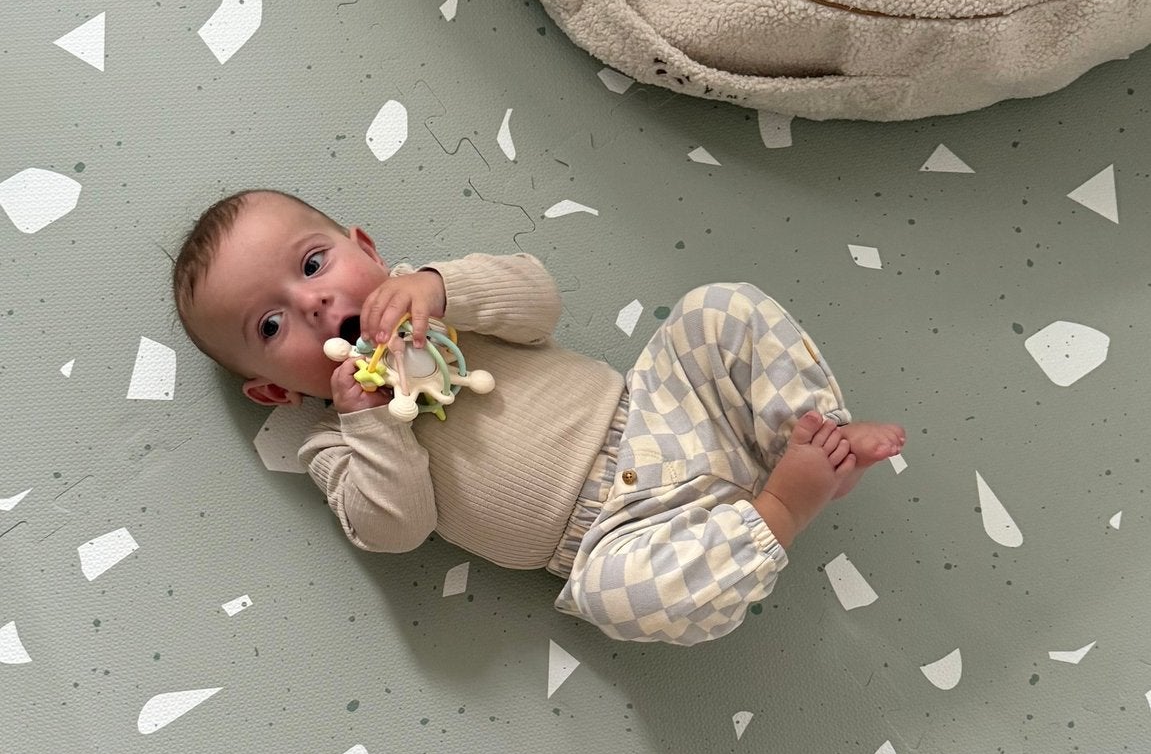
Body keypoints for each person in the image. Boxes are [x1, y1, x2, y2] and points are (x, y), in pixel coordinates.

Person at [170, 189, 904, 646]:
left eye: (312, 265)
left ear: (366, 249)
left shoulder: (437, 304)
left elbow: (541, 300)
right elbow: (396, 529)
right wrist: (372, 422)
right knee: (626, 599)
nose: (315, 305)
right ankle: (780, 506)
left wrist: (443, 288)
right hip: (611, 535)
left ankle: (810, 431)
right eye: (270, 328)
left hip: (656, 408)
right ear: (272, 393)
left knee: (719, 310)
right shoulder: (336, 443)